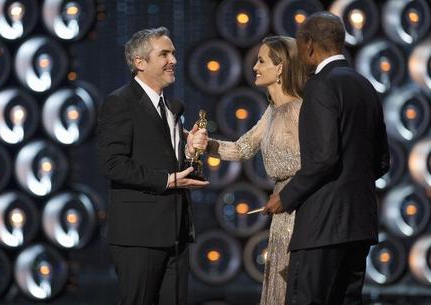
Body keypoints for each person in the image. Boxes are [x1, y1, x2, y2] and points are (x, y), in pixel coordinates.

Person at [265, 12, 390, 305]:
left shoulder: (321, 85)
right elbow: (382, 161)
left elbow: (323, 157)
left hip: (322, 229)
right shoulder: (365, 85)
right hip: (360, 227)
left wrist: (287, 196)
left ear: (308, 44)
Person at [97, 26, 209, 305]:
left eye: (173, 53)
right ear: (140, 63)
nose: (173, 60)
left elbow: (166, 160)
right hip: (139, 234)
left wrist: (189, 151)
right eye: (164, 54)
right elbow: (112, 164)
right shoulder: (120, 102)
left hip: (176, 231)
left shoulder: (171, 107)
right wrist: (166, 180)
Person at [205, 36, 307, 305]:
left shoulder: (301, 110)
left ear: (281, 67)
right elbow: (241, 149)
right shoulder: (272, 111)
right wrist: (201, 143)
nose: (255, 67)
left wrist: (290, 196)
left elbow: (317, 164)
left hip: (302, 209)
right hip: (280, 211)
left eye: (261, 61)